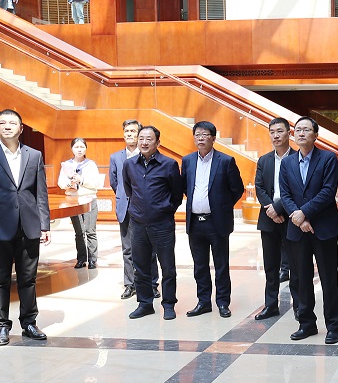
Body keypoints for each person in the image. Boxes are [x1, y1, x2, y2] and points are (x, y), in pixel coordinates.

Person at [0, 109, 51, 346]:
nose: (7, 126)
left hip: (29, 226)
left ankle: (29, 322)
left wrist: (44, 224)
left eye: (12, 123)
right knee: (0, 278)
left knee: (28, 278)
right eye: (2, 123)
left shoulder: (34, 155)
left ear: (21, 129)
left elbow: (41, 193)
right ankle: (2, 326)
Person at [279, 117, 338, 344]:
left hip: (323, 228)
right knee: (301, 279)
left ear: (316, 135)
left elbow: (328, 192)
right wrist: (299, 218)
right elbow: (285, 194)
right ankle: (306, 324)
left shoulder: (328, 158)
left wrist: (304, 213)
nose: (301, 133)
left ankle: (333, 326)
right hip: (298, 230)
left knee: (328, 278)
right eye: (298, 130)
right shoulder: (287, 162)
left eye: (306, 130)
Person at [181, 121, 245, 318]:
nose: (201, 138)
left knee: (221, 265)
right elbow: (185, 187)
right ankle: (203, 302)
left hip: (216, 222)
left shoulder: (225, 161)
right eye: (197, 135)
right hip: (195, 222)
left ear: (213, 138)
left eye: (205, 134)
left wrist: (222, 206)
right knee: (199, 266)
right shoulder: (188, 161)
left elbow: (237, 189)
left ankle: (223, 302)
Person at [123, 125, 183, 320]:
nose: (144, 142)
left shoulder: (169, 164)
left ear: (158, 142)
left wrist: (164, 210)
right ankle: (145, 303)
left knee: (167, 267)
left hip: (162, 224)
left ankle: (169, 304)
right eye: (141, 138)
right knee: (140, 267)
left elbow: (177, 194)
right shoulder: (129, 165)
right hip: (138, 224)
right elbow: (129, 189)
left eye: (149, 139)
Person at [253, 117, 299, 320]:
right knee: (270, 266)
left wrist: (278, 208)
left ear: (289, 133)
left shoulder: (298, 158)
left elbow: (298, 189)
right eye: (272, 132)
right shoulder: (264, 160)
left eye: (280, 131)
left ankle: (299, 306)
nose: (276, 136)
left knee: (296, 265)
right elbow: (259, 187)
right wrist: (271, 209)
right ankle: (271, 304)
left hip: (292, 218)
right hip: (268, 219)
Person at [109, 119, 159, 300]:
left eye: (133, 131)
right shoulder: (115, 157)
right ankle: (130, 284)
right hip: (125, 209)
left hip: (145, 209)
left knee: (150, 249)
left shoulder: (147, 154)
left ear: (139, 135)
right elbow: (114, 182)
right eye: (127, 131)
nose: (129, 134)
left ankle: (152, 284)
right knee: (127, 249)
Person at [57, 137, 102, 269]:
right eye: (76, 147)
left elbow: (96, 183)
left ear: (86, 149)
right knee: (79, 232)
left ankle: (92, 259)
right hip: (73, 201)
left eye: (82, 147)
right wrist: (69, 183)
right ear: (72, 149)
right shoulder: (67, 165)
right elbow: (61, 183)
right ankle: (81, 258)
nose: (79, 149)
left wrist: (81, 180)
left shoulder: (91, 164)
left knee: (90, 231)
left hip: (89, 199)